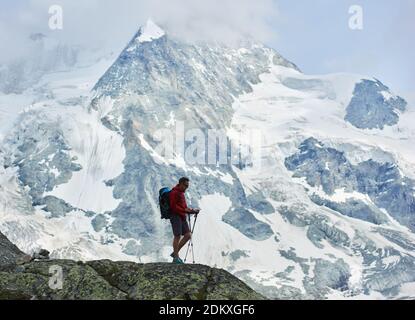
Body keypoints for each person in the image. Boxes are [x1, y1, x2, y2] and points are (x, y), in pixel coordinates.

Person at [169, 177, 200, 264]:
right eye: (185, 185)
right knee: (177, 235)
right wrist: (185, 210)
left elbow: (183, 207)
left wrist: (192, 211)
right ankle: (176, 257)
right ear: (180, 184)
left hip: (182, 217)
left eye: (187, 186)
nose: (186, 187)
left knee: (188, 235)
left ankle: (175, 253)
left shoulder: (181, 193)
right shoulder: (174, 192)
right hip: (175, 216)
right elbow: (173, 207)